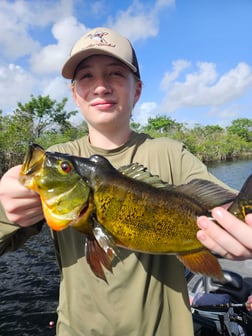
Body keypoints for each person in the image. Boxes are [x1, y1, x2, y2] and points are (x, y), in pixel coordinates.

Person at [0, 26, 251, 336]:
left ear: (138, 90)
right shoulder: (58, 160)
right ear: (74, 94)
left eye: (115, 74)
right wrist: (5, 210)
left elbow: (228, 208)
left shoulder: (170, 154)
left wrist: (243, 227)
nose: (101, 86)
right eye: (87, 76)